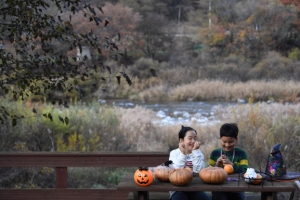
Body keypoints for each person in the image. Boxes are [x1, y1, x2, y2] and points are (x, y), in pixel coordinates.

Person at [169, 125, 211, 200]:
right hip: (178, 189)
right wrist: (183, 153)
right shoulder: (174, 153)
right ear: (181, 141)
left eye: (195, 138)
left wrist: (195, 152)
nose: (193, 141)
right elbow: (177, 170)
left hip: (195, 188)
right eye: (190, 138)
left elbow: (199, 171)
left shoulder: (198, 153)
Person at [208, 123, 248, 200]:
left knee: (241, 198)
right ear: (220, 139)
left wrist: (231, 164)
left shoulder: (242, 153)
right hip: (219, 187)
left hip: (237, 187)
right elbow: (208, 172)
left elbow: (245, 171)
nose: (227, 145)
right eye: (224, 142)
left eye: (231, 142)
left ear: (236, 139)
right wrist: (217, 165)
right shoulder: (214, 153)